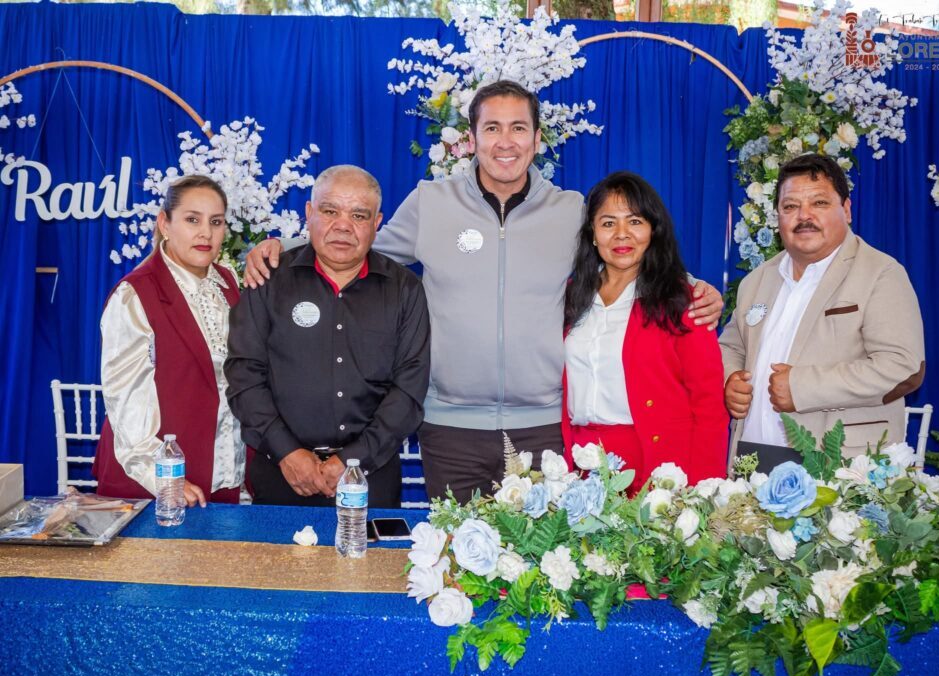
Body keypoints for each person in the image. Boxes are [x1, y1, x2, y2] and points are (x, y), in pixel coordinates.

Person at [243, 81, 723, 503]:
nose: (505, 141)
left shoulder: (571, 210)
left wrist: (690, 287)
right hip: (451, 430)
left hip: (545, 432)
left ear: (537, 139)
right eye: (492, 128)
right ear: (471, 139)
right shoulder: (432, 202)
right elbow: (358, 241)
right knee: (456, 563)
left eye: (518, 128)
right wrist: (281, 247)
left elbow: (624, 252)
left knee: (541, 564)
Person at [224, 165, 430, 507]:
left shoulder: (405, 290)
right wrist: (287, 452)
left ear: (377, 222)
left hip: (372, 477)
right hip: (281, 473)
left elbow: (409, 390)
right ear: (309, 213)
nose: (343, 226)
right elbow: (244, 375)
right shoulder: (268, 280)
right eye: (330, 211)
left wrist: (353, 459)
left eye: (359, 215)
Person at [719, 154, 925, 468]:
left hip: (841, 466)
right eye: (790, 206)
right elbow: (731, 346)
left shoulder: (880, 274)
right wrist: (730, 379)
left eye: (819, 203)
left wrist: (801, 387)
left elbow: (904, 368)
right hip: (754, 460)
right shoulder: (757, 280)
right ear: (778, 216)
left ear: (846, 209)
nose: (804, 216)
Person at [563, 172, 728, 494]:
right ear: (593, 234)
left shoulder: (684, 300)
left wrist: (703, 489)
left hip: (654, 465)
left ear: (653, 230)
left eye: (635, 221)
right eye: (608, 223)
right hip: (580, 465)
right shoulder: (570, 296)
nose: (621, 234)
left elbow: (708, 403)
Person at [94, 175, 245, 505]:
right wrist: (164, 477)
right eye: (192, 220)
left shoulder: (228, 283)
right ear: (165, 223)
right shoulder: (135, 294)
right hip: (157, 485)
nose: (205, 233)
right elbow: (125, 403)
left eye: (216, 222)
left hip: (222, 479)